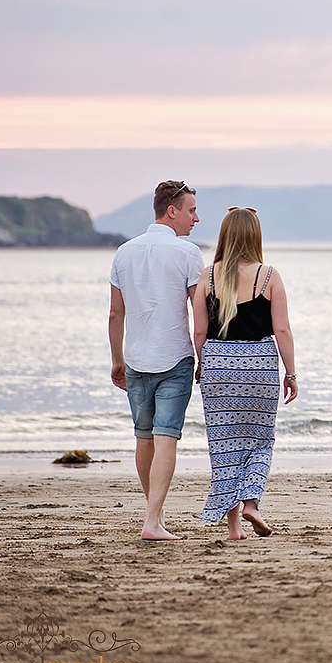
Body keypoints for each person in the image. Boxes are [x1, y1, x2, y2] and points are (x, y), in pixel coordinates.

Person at [192, 207, 298, 540]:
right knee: (259, 442)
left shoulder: (208, 277)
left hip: (219, 365)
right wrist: (291, 374)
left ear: (224, 235)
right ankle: (251, 503)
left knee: (225, 446)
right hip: (260, 367)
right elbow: (282, 330)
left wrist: (200, 363)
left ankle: (234, 529)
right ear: (255, 236)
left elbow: (198, 333)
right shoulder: (269, 276)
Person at [109, 180, 203, 540]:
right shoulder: (187, 253)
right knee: (166, 439)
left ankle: (155, 516)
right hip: (174, 356)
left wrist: (116, 359)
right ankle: (152, 521)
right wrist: (202, 354)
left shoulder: (124, 252)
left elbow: (116, 314)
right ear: (172, 211)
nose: (196, 218)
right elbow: (199, 312)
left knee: (143, 438)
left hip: (135, 357)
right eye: (191, 210)